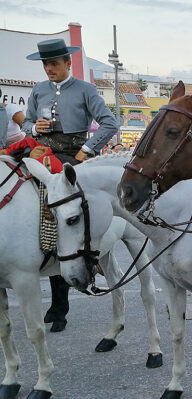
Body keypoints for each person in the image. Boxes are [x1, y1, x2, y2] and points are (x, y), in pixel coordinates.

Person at [22, 39, 118, 332]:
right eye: (45, 64)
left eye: (53, 63)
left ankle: (62, 299)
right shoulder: (38, 90)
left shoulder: (86, 90)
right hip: (41, 152)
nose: (49, 69)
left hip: (72, 156)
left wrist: (86, 152)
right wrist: (32, 128)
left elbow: (109, 123)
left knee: (58, 210)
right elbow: (26, 123)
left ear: (68, 63)